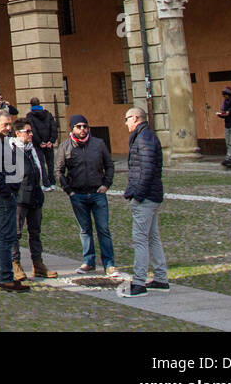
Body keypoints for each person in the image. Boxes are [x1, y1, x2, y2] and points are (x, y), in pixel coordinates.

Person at [55, 114, 117, 276]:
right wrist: (69, 190)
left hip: (97, 193)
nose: (82, 130)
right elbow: (58, 171)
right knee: (85, 230)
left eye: (85, 126)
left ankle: (109, 264)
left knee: (103, 229)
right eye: (79, 126)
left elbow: (109, 165)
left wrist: (106, 184)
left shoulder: (98, 144)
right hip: (78, 195)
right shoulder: (65, 146)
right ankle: (88, 262)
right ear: (72, 128)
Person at [121, 107, 169, 296]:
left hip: (146, 197)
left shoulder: (144, 138)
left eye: (127, 119)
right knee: (152, 237)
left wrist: (137, 194)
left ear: (135, 118)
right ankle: (160, 278)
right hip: (151, 195)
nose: (125, 123)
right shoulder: (145, 136)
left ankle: (139, 283)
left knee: (140, 239)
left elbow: (147, 169)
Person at [0, 109, 28, 291]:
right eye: (5, 124)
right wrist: (9, 191)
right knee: (6, 238)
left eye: (10, 124)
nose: (9, 127)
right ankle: (6, 277)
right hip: (1, 196)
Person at [11, 118, 57, 280]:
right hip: (19, 198)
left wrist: (45, 184)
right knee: (15, 233)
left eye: (31, 131)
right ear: (18, 133)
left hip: (36, 196)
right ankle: (15, 264)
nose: (31, 134)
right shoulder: (11, 150)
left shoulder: (32, 149)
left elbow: (39, 169)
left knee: (35, 232)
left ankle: (38, 263)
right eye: (27, 132)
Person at [26, 97, 57, 189]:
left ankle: (46, 183)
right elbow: (54, 128)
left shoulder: (30, 116)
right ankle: (52, 182)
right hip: (48, 143)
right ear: (39, 104)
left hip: (38, 144)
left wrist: (39, 142)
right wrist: (51, 141)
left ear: (31, 105)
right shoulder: (48, 114)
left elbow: (33, 130)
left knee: (41, 164)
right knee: (50, 163)